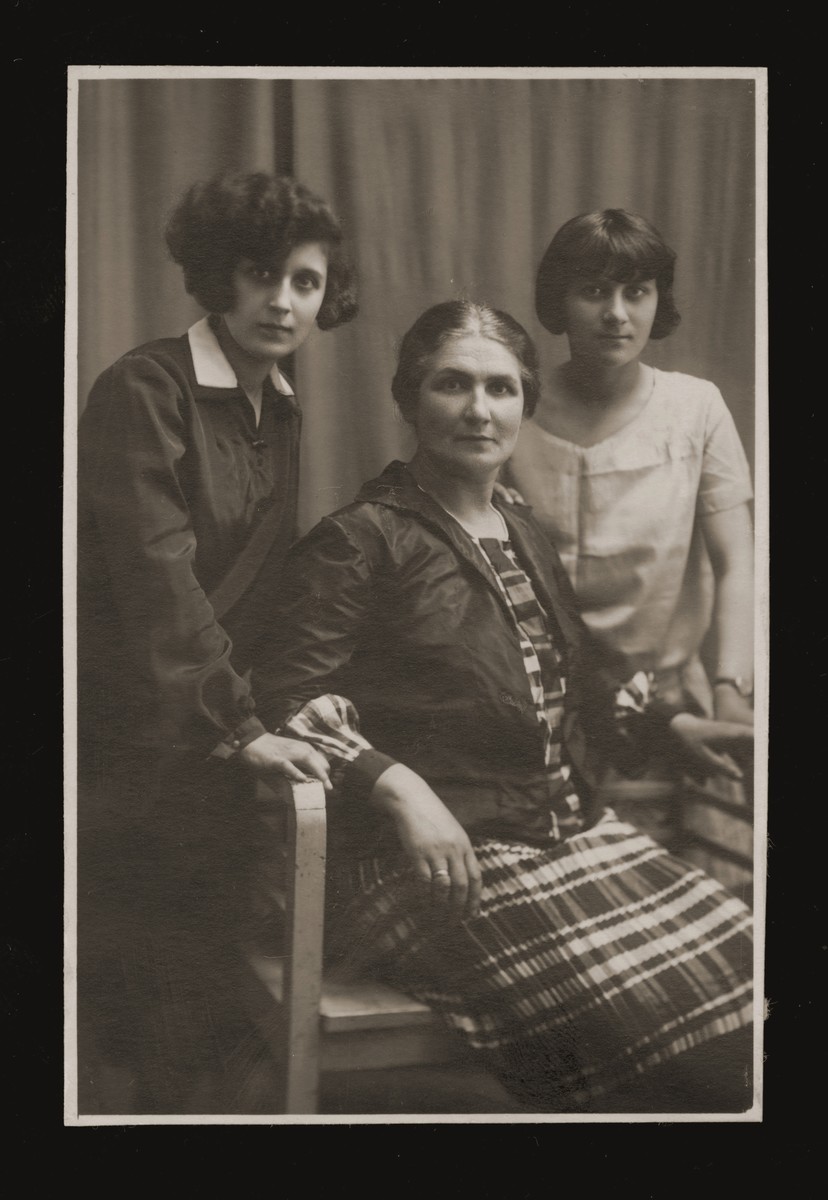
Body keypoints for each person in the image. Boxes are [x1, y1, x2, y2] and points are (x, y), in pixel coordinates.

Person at [252, 300, 755, 1114]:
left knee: (755, 982)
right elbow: (281, 702)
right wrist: (396, 783)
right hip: (423, 865)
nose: (479, 410)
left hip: (564, 833)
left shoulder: (518, 525)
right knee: (664, 1039)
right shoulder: (361, 539)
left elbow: (581, 676)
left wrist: (672, 723)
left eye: (501, 388)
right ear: (410, 399)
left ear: (526, 402)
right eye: (452, 385)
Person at [76, 171, 356, 1113]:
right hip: (134, 726)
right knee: (141, 998)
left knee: (207, 983)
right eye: (261, 274)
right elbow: (156, 579)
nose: (283, 300)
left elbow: (264, 587)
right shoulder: (143, 387)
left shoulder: (278, 405)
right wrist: (237, 725)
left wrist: (277, 708)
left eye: (307, 282)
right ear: (216, 278)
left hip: (215, 727)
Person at [502, 210, 754, 737]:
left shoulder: (696, 409)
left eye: (636, 292)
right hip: (539, 703)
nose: (616, 313)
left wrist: (731, 687)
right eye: (593, 291)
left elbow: (737, 563)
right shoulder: (510, 408)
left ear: (658, 299)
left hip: (672, 702)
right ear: (560, 301)